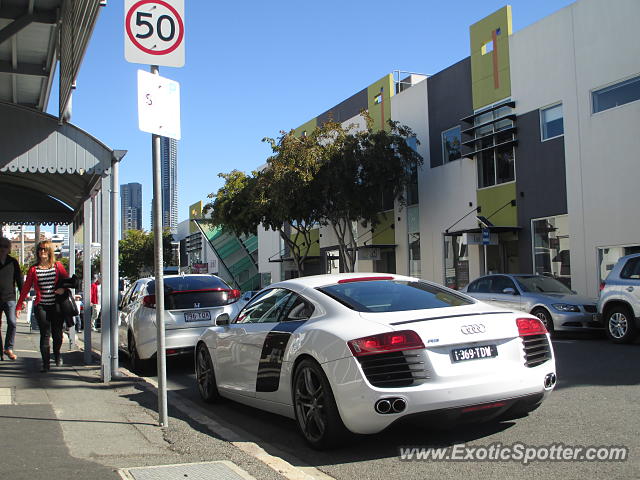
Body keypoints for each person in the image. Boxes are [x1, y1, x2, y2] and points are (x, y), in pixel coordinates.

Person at [16, 241, 69, 372]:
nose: (42, 252)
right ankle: (46, 364)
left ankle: (56, 354)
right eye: (39, 250)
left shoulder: (58, 266)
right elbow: (25, 288)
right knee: (45, 334)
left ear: (50, 251)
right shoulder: (34, 269)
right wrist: (18, 306)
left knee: (57, 334)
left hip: (56, 305)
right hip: (41, 305)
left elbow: (68, 281)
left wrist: (63, 289)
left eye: (45, 249)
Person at [0, 237, 23, 361]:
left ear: (8, 249)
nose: (2, 249)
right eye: (0, 246)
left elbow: (19, 280)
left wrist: (23, 299)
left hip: (10, 298)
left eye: (5, 246)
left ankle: (8, 347)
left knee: (12, 322)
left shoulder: (13, 262)